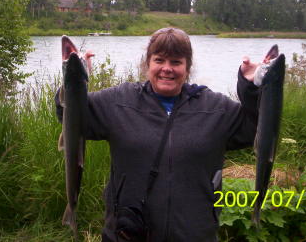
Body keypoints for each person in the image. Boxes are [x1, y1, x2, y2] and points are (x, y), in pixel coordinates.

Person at [57, 27, 260, 242]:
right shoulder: (118, 101)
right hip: (128, 234)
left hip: (195, 234)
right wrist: (74, 78)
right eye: (159, 60)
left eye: (176, 62)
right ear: (148, 64)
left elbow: (256, 130)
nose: (167, 69)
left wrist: (251, 89)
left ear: (187, 67)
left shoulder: (216, 108)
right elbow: (71, 117)